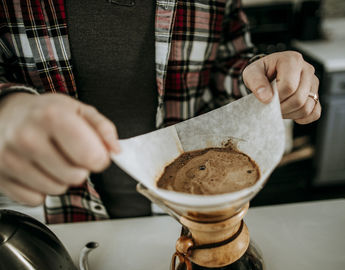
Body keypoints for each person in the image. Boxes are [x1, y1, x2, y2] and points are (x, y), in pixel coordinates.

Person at [0, 0, 321, 224]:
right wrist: (8, 106)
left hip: (188, 214)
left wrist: (262, 80)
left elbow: (228, 63)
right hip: (47, 220)